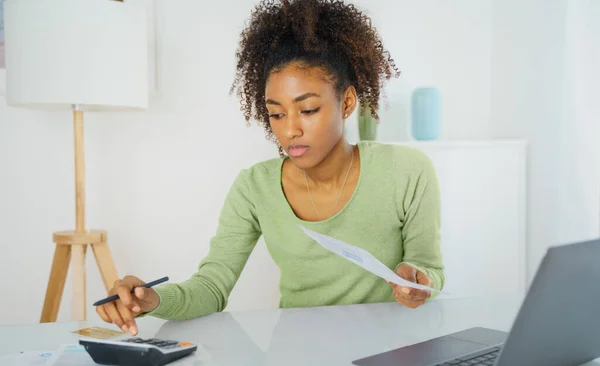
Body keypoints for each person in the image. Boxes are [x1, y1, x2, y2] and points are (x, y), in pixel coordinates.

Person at [97, 0, 444, 336]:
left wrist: (418, 282)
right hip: (297, 361)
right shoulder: (255, 187)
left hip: (387, 352)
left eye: (307, 110)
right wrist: (153, 299)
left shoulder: (406, 170)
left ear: (348, 101)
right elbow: (211, 287)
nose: (289, 129)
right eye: (276, 114)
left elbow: (429, 269)